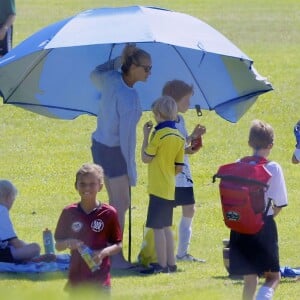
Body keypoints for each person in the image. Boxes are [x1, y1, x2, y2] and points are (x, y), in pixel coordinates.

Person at [90, 44, 152, 269]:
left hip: (98, 146)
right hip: (115, 152)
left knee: (113, 205)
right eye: (146, 69)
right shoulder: (130, 98)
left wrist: (118, 61)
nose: (149, 73)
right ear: (133, 67)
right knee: (120, 205)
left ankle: (105, 253)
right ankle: (114, 258)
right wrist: (131, 172)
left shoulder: (110, 79)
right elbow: (127, 141)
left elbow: (94, 73)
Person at [229, 120, 288, 300]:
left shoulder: (239, 163)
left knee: (250, 279)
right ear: (271, 144)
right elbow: (279, 203)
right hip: (263, 227)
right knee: (273, 277)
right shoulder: (273, 168)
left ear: (249, 143)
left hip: (240, 227)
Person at [54, 163, 122, 293]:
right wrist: (69, 243)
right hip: (76, 281)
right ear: (76, 186)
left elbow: (118, 244)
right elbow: (58, 245)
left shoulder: (109, 213)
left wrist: (103, 253)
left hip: (100, 281)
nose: (87, 188)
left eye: (92, 184)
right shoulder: (69, 212)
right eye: (83, 184)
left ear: (100, 186)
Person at [162, 79, 206, 262]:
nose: (189, 104)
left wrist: (192, 138)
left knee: (189, 209)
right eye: (186, 100)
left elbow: (181, 143)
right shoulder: (166, 122)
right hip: (172, 175)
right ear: (173, 101)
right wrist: (188, 146)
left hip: (184, 175)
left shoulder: (181, 119)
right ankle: (159, 251)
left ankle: (182, 253)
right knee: (164, 212)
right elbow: (171, 148)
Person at [140, 96, 185, 274]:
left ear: (158, 114)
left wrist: (145, 137)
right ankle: (171, 263)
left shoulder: (158, 134)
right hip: (169, 187)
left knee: (157, 228)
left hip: (157, 187)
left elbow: (145, 158)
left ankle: (162, 264)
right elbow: (179, 168)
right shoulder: (179, 137)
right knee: (167, 227)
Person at [0, 179, 41, 263]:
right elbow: (15, 243)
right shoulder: (2, 210)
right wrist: (28, 249)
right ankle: (32, 259)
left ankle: (28, 258)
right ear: (8, 198)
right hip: (2, 255)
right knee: (35, 247)